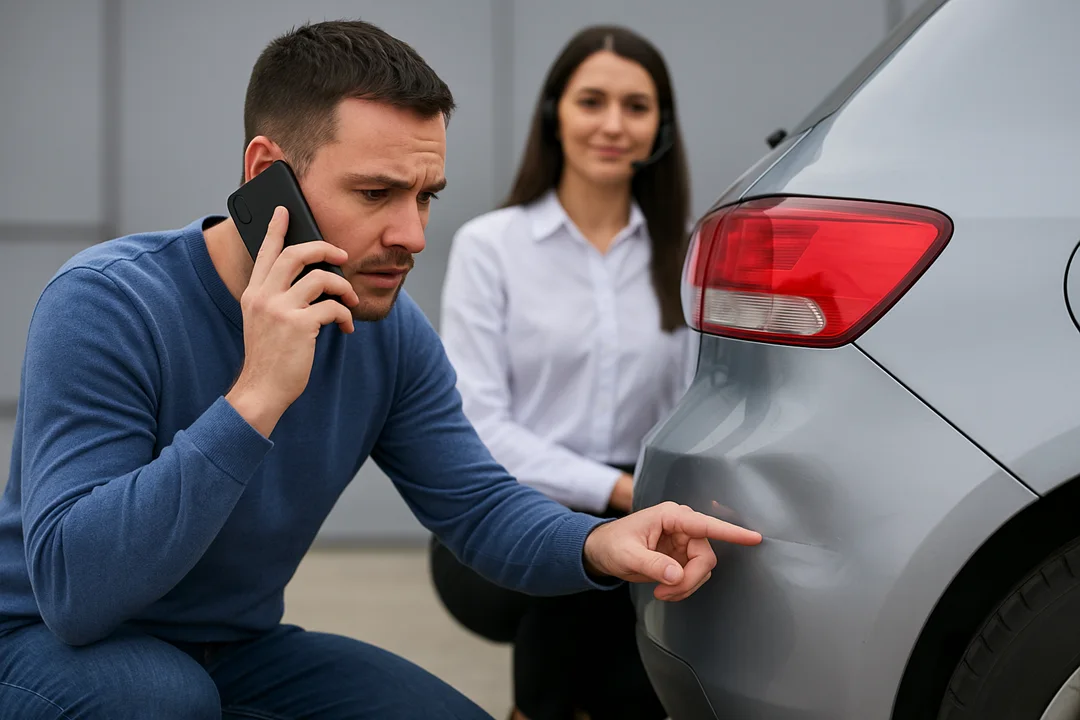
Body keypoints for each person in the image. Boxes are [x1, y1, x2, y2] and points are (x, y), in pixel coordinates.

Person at [0, 19, 760, 720]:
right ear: (270, 175)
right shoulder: (106, 303)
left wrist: (602, 544)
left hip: (234, 653)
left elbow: (478, 506)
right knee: (161, 700)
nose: (413, 234)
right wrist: (256, 395)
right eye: (376, 193)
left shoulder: (387, 333)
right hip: (48, 647)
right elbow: (74, 590)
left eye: (426, 196)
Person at [429, 25, 696, 720]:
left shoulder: (687, 253)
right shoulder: (492, 247)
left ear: (660, 126)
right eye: (592, 101)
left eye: (636, 106)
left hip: (638, 511)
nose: (613, 124)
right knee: (598, 560)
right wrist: (617, 493)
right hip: (499, 515)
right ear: (555, 113)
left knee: (626, 593)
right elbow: (480, 427)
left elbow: (695, 406)